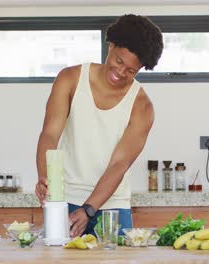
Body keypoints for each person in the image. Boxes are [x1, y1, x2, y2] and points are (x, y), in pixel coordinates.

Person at [35, 14, 163, 238]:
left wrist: (89, 209)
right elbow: (50, 134)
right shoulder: (70, 79)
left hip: (113, 207)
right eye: (119, 61)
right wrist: (45, 180)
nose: (121, 73)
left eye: (131, 70)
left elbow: (119, 164)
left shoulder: (142, 106)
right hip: (65, 200)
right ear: (111, 45)